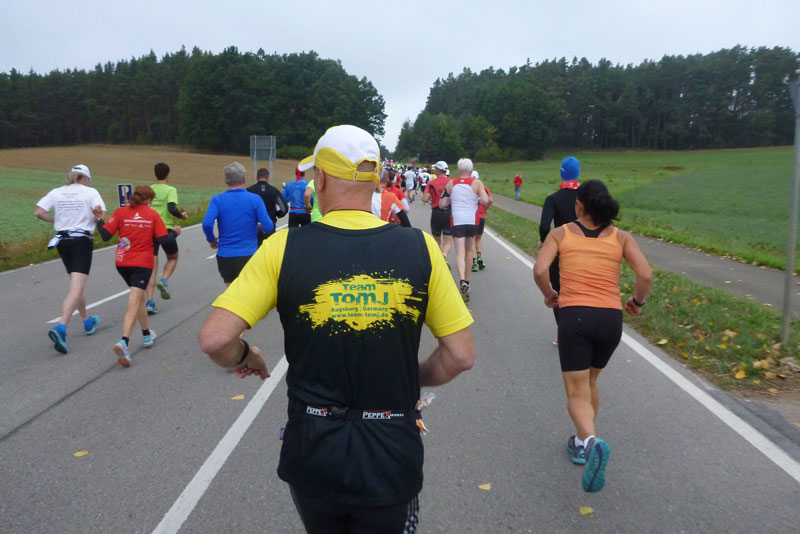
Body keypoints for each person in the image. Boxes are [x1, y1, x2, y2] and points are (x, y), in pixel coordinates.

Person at [198, 125, 475, 534]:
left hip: (313, 447)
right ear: (377, 179)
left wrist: (248, 356)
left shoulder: (283, 247)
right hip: (390, 449)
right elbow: (460, 355)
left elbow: (215, 339)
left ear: (321, 178)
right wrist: (410, 377)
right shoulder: (422, 249)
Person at [533, 179, 652, 493]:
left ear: (579, 206)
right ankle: (582, 441)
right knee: (591, 381)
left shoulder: (561, 233)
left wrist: (549, 294)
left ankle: (589, 442)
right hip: (610, 319)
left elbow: (540, 270)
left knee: (576, 390)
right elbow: (645, 274)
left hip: (575, 316)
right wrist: (637, 302)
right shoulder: (622, 237)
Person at [35, 164, 106, 354]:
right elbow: (101, 214)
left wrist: (55, 220)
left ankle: (87, 321)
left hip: (62, 240)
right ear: (85, 178)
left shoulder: (57, 192)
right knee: (76, 286)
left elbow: (38, 212)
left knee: (76, 284)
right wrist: (97, 218)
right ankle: (61, 327)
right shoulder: (90, 192)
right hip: (81, 241)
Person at [96, 185, 168, 366]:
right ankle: (124, 341)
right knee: (135, 300)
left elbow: (105, 235)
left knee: (140, 298)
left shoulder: (120, 212)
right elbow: (163, 239)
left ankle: (146, 334)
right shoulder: (153, 215)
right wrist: (175, 233)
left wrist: (99, 220)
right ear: (149, 200)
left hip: (122, 263)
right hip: (142, 264)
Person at [202, 163, 273, 287]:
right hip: (249, 254)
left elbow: (207, 224)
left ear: (226, 180)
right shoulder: (255, 199)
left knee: (232, 292)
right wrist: (257, 226)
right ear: (244, 179)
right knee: (249, 292)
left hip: (225, 256)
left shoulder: (217, 200)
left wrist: (211, 239)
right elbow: (268, 227)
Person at [538, 156, 581, 345]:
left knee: (557, 292)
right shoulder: (585, 197)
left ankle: (563, 332)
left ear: (561, 173)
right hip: (584, 252)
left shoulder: (553, 199)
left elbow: (544, 226)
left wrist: (544, 242)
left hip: (560, 252)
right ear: (578, 173)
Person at [439, 158, 489, 303]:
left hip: (457, 221)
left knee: (460, 252)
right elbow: (485, 201)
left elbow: (442, 204)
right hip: (472, 220)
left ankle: (462, 280)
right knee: (469, 251)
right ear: (471, 170)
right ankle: (467, 280)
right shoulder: (477, 183)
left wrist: (451, 200)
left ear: (459, 170)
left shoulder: (451, 183)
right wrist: (477, 199)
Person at [145, 162, 188, 315]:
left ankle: (150, 301)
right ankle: (164, 280)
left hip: (149, 229)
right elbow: (171, 208)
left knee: (152, 267)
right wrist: (181, 216)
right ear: (168, 174)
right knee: (173, 257)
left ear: (155, 174)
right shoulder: (171, 190)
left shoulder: (149, 189)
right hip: (165, 228)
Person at [247, 168, 288, 245]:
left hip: (253, 226)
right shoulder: (274, 191)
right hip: (269, 224)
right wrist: (278, 214)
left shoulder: (249, 191)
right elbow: (284, 208)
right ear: (268, 178)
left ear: (256, 178)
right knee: (269, 249)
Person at [422, 161, 453, 260]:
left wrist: (430, 196)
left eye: (435, 168)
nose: (434, 170)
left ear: (438, 170)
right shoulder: (452, 182)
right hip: (449, 213)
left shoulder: (431, 183)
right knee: (448, 241)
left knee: (436, 240)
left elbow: (425, 199)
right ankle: (444, 256)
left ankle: (438, 259)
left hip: (436, 213)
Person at [471, 171, 493, 272]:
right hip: (481, 215)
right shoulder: (484, 188)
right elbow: (490, 200)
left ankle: (474, 262)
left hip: (471, 216)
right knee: (479, 238)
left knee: (472, 239)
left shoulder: (469, 188)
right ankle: (479, 256)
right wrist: (485, 208)